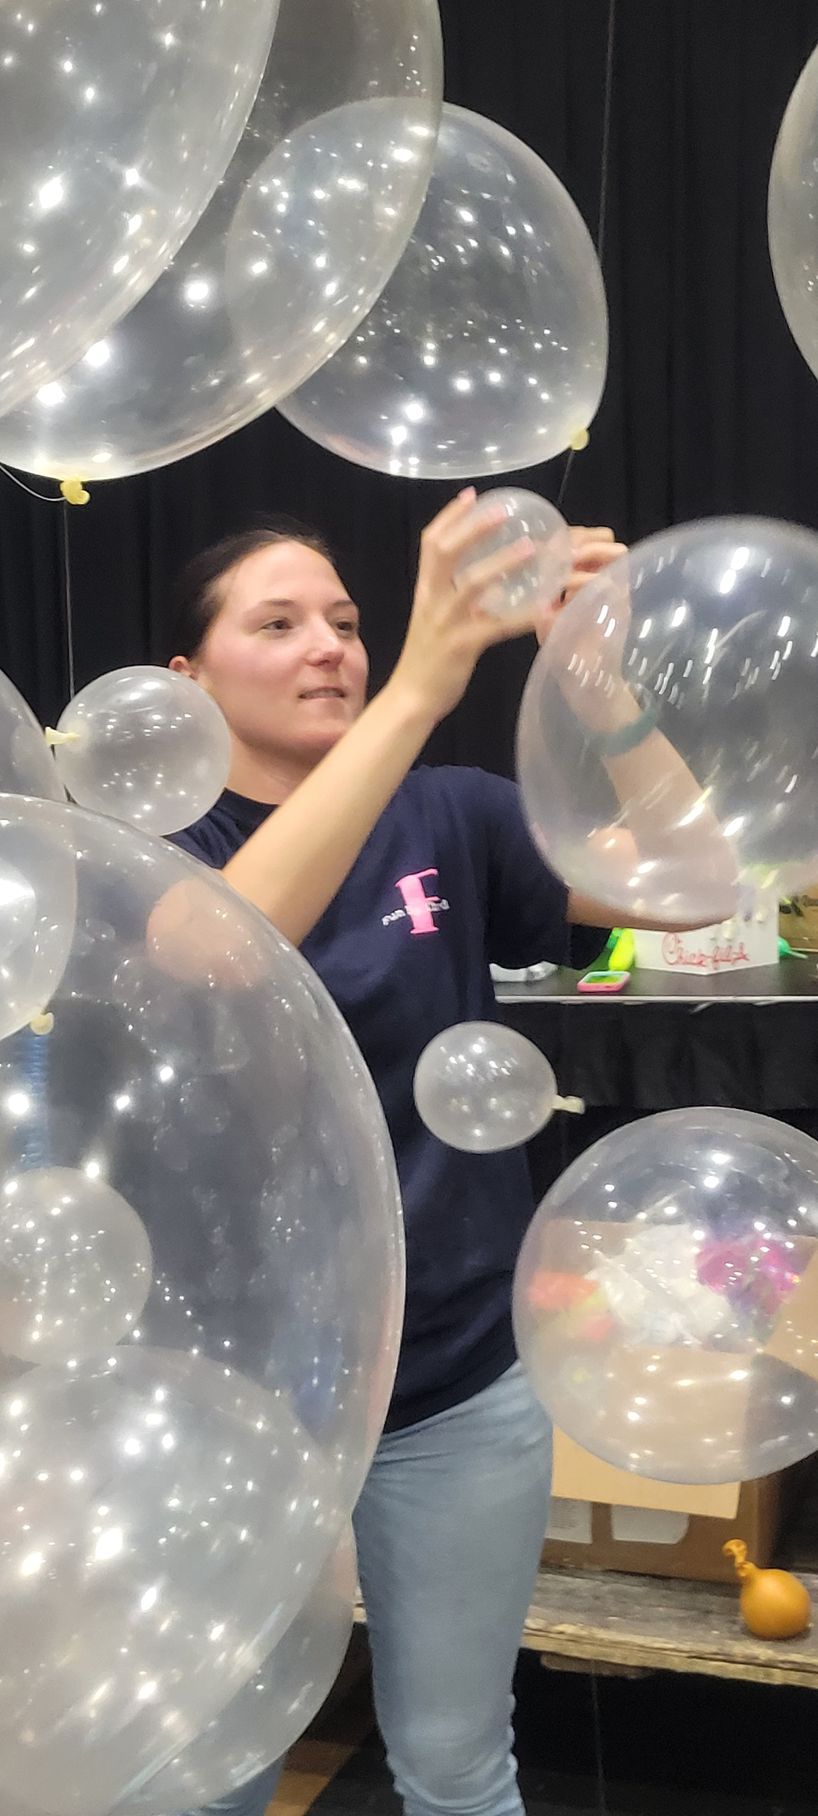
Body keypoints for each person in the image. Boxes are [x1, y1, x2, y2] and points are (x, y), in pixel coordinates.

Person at [161, 490, 709, 1816]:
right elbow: (218, 954)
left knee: (458, 1764)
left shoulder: (449, 814)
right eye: (279, 622)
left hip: (456, 1380)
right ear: (186, 678)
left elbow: (691, 877)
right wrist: (420, 680)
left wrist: (598, 690)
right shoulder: (153, 848)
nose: (327, 647)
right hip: (235, 1397)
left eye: (345, 622)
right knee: (210, 1775)